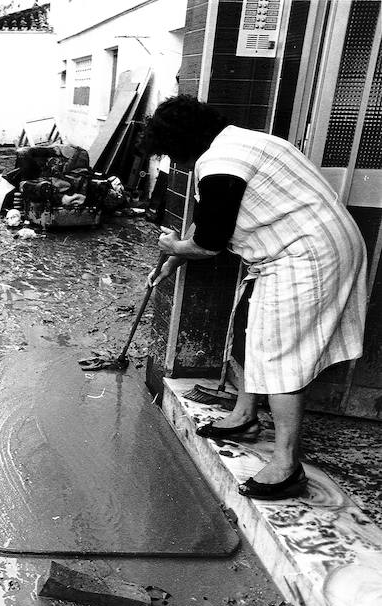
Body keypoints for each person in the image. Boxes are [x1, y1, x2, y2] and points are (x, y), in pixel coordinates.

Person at [142, 95, 367, 500]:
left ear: (182, 144)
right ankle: (245, 417)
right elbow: (208, 214)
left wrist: (175, 248)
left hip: (307, 255)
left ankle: (286, 465)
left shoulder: (220, 163)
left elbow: (209, 242)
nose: (178, 165)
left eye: (174, 156)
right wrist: (173, 262)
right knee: (257, 331)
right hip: (305, 247)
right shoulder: (242, 142)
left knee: (282, 352)